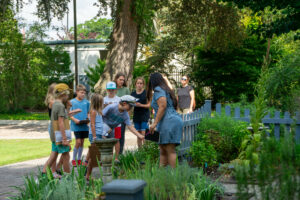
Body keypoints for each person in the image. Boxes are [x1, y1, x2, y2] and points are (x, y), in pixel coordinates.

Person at [147, 72, 183, 168]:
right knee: (163, 149)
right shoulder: (165, 89)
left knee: (170, 149)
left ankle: (173, 176)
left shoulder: (158, 89)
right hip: (169, 120)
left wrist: (154, 124)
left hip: (169, 121)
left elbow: (163, 106)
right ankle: (161, 174)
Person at [42, 83, 73, 174]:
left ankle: (43, 174)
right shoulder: (60, 106)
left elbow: (63, 118)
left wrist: (67, 108)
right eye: (67, 94)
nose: (68, 96)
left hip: (54, 135)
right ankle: (68, 178)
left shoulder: (55, 103)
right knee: (66, 156)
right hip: (59, 136)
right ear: (63, 94)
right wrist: (64, 139)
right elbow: (60, 123)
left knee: (53, 155)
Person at [70, 84, 90, 167]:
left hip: (84, 125)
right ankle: (73, 159)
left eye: (84, 93)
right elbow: (69, 114)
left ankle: (79, 159)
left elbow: (88, 112)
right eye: (81, 92)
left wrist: (88, 119)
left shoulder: (87, 102)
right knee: (78, 142)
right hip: (76, 125)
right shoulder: (72, 102)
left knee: (82, 142)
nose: (83, 94)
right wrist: (75, 120)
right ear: (77, 92)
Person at [86, 93, 104, 181]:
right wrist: (95, 137)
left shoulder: (99, 112)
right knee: (94, 157)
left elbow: (100, 124)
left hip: (99, 134)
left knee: (96, 156)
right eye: (101, 101)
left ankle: (91, 174)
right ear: (98, 102)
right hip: (94, 135)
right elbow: (92, 124)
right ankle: (88, 175)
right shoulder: (93, 111)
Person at [104, 81, 122, 161]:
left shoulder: (119, 99)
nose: (111, 91)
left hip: (117, 123)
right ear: (107, 90)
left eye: (112, 89)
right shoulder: (104, 99)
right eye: (109, 89)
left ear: (115, 90)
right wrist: (106, 106)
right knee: (109, 141)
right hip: (107, 124)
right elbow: (101, 111)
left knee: (117, 140)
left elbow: (122, 111)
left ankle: (117, 157)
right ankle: (110, 157)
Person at [131, 77, 150, 148]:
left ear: (143, 84)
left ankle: (146, 151)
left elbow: (149, 105)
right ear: (135, 84)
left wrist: (141, 105)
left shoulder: (146, 93)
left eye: (141, 83)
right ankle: (140, 152)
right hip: (136, 116)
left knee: (144, 135)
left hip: (144, 116)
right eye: (138, 83)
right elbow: (130, 106)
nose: (139, 85)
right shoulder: (132, 94)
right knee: (138, 136)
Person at [114, 72, 130, 154]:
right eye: (120, 80)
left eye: (123, 80)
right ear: (116, 79)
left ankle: (119, 154)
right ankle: (114, 154)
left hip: (122, 116)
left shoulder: (126, 89)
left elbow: (130, 103)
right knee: (114, 136)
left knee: (121, 136)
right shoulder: (112, 89)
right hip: (113, 116)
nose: (122, 81)